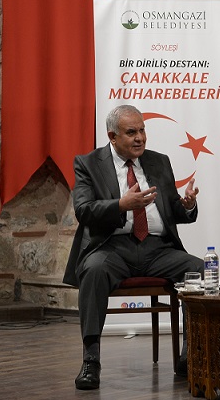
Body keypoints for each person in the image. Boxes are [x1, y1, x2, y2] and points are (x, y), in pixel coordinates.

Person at [62, 104, 204, 390]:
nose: (140, 138)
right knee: (93, 270)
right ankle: (91, 360)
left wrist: (187, 205)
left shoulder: (159, 162)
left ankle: (191, 355)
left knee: (198, 269)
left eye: (142, 130)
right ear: (112, 136)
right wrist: (120, 205)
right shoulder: (88, 164)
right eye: (131, 132)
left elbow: (173, 210)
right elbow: (84, 211)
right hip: (112, 247)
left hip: (157, 249)